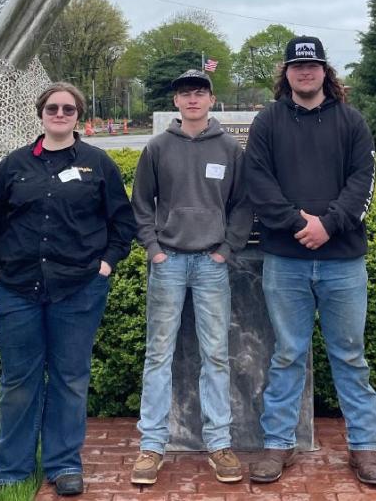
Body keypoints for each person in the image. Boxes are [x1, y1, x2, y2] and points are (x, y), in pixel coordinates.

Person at [0, 82, 136, 497]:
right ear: (40, 113)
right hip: (17, 288)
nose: (59, 114)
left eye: (68, 108)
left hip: (79, 289)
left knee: (70, 378)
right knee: (19, 381)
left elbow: (123, 224)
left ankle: (64, 464)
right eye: (52, 108)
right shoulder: (14, 165)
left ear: (79, 115)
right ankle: (12, 467)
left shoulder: (98, 165)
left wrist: (105, 266)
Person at [242, 36, 376, 486]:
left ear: (326, 71)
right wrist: (294, 222)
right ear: (286, 73)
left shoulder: (351, 121)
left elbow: (364, 180)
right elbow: (258, 182)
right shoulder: (267, 122)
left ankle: (365, 447)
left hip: (343, 260)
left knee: (350, 355)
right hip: (285, 259)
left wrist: (329, 224)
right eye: (297, 67)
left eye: (313, 66)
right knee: (287, 354)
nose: (305, 73)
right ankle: (277, 445)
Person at [130, 68, 254, 486]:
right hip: (169, 263)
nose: (192, 99)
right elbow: (141, 204)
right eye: (185, 93)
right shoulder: (158, 147)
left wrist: (226, 249)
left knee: (216, 354)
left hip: (210, 264)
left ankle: (219, 443)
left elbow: (242, 204)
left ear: (211, 98)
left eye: (199, 92)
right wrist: (154, 249)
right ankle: (152, 445)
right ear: (177, 102)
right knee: (158, 354)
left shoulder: (230, 148)